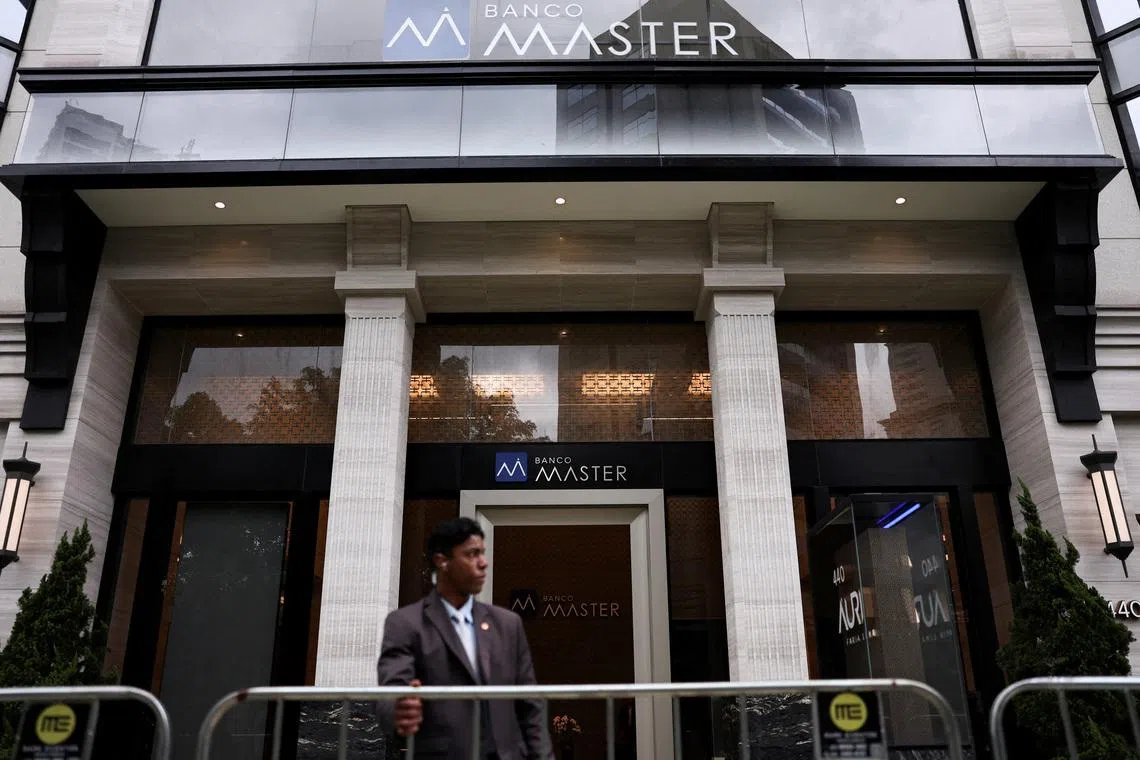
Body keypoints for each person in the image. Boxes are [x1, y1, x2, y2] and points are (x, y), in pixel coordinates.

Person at [377, 517, 554, 760]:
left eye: (483, 553)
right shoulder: (405, 623)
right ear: (443, 561)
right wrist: (399, 709)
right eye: (472, 554)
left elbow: (530, 707)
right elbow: (391, 691)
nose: (483, 563)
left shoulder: (508, 624)